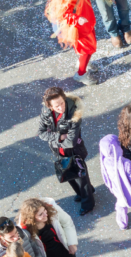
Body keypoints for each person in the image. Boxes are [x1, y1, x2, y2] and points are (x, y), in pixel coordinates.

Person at [37, 87, 95, 215]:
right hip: (58, 151)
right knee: (69, 175)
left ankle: (88, 204)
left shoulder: (74, 113)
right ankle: (83, 193)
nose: (61, 108)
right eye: (56, 106)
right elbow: (41, 133)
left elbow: (70, 142)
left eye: (62, 103)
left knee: (81, 177)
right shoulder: (46, 111)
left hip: (74, 150)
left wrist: (52, 138)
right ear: (50, 106)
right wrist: (59, 137)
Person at [44, 0, 99, 84]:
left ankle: (83, 62)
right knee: (87, 47)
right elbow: (62, 11)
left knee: (85, 47)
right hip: (77, 23)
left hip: (84, 17)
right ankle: (81, 73)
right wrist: (76, 19)